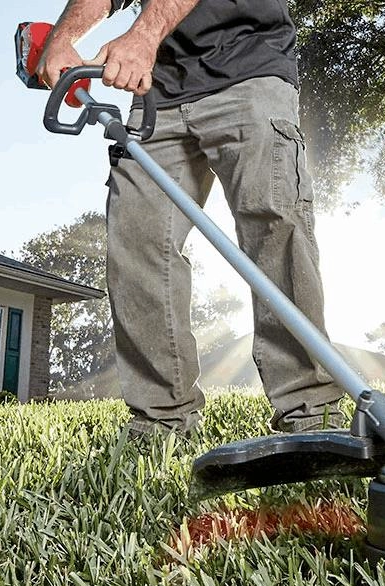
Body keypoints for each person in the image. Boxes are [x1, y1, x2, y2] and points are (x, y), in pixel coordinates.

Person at [38, 0, 341, 437]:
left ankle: (310, 412)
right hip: (159, 92)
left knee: (274, 227)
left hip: (249, 68)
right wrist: (62, 38)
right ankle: (162, 419)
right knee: (137, 238)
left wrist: (143, 36)